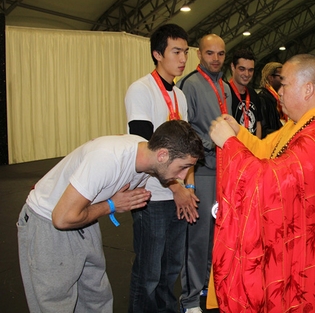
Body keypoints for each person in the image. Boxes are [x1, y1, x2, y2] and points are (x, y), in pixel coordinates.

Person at [209, 54, 315, 312]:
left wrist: (229, 144)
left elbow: (268, 181)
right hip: (301, 244)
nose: (279, 91)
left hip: (309, 257)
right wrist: (239, 133)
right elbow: (266, 150)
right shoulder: (303, 125)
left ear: (308, 89)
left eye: (284, 84)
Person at [17, 120, 204, 313]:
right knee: (56, 305)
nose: (182, 176)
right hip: (48, 222)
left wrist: (176, 190)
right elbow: (61, 218)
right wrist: (112, 205)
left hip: (84, 219)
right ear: (163, 155)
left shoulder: (147, 156)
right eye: (183, 167)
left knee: (96, 299)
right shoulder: (107, 159)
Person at [125, 24, 198, 313]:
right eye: (176, 51)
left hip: (177, 194)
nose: (183, 59)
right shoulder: (140, 90)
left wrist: (188, 188)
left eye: (186, 52)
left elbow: (188, 149)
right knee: (149, 274)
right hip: (151, 196)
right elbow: (146, 148)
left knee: (170, 271)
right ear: (157, 53)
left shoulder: (180, 96)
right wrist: (176, 187)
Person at [177, 33, 232, 313]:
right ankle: (189, 299)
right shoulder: (190, 85)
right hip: (201, 171)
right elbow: (186, 133)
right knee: (197, 237)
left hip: (225, 171)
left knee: (217, 235)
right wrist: (214, 142)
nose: (215, 59)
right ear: (200, 54)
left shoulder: (226, 86)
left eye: (220, 54)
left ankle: (208, 286)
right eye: (210, 53)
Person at [229, 48, 262, 137]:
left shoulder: (253, 94)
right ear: (233, 67)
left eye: (250, 70)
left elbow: (258, 123)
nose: (247, 74)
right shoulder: (225, 92)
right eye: (242, 69)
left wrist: (257, 147)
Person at [258, 62, 284, 138]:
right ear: (271, 78)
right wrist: (284, 133)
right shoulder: (262, 99)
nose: (283, 80)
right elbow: (263, 131)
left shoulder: (278, 98)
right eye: (281, 77)